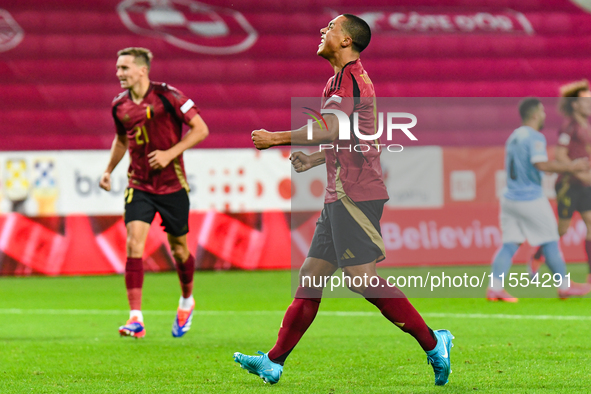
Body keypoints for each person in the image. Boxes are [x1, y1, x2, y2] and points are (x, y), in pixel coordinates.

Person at [233, 14, 454, 386]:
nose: (323, 31)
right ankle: (273, 361)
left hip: (355, 194)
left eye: (331, 28)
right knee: (310, 278)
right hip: (340, 194)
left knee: (361, 279)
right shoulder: (340, 81)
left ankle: (435, 343)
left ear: (347, 41)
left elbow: (333, 128)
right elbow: (359, 138)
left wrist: (275, 138)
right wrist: (318, 158)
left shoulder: (350, 80)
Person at [99, 47, 209, 338]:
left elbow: (200, 129)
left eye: (124, 68)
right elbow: (121, 140)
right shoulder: (119, 105)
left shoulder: (169, 97)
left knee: (178, 249)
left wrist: (169, 153)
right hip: (139, 184)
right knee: (134, 244)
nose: (119, 73)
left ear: (142, 70)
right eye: (118, 68)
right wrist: (109, 170)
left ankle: (187, 300)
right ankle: (135, 317)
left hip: (173, 185)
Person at [487, 97, 591, 302]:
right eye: (542, 112)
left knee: (509, 244)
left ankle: (495, 288)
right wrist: (572, 167)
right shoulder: (535, 137)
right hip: (529, 198)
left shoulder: (514, 136)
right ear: (535, 114)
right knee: (551, 239)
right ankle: (564, 285)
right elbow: (540, 164)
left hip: (509, 198)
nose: (544, 115)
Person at [527, 80, 591, 284]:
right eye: (585, 100)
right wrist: (580, 174)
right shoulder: (569, 127)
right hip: (568, 186)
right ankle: (537, 257)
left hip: (584, 185)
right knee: (562, 230)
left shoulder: (586, 126)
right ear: (575, 104)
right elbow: (560, 155)